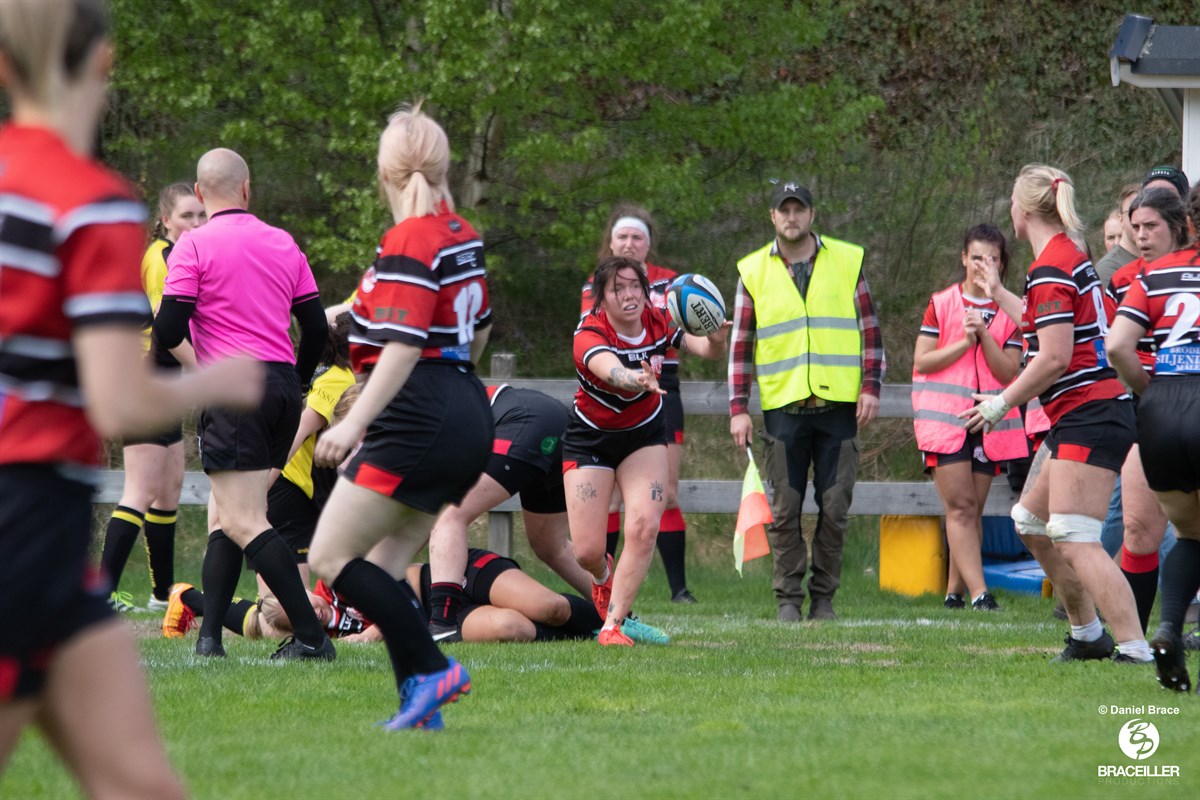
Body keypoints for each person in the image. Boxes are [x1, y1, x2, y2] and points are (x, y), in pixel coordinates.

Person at [0, 0, 261, 792]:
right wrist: (223, 376)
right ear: (103, 61)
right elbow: (116, 404)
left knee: (141, 782)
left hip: (42, 538)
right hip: (25, 515)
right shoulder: (90, 201)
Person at [307, 103, 492, 731]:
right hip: (462, 407)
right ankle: (420, 699)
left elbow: (406, 345)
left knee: (331, 556)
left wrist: (352, 423)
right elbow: (479, 329)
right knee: (382, 569)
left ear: (384, 173)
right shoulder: (460, 233)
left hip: (421, 411)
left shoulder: (409, 238)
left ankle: (433, 670)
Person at [962, 164, 1151, 664]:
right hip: (1085, 412)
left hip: (1091, 413)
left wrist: (1001, 403)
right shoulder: (1066, 257)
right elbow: (1041, 322)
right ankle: (1087, 636)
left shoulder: (1051, 268)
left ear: (1024, 210)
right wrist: (997, 291)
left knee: (1075, 536)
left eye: (1011, 200)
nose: (1009, 209)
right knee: (1029, 520)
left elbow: (1053, 357)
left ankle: (1135, 648)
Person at [153, 147, 333, 661]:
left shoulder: (193, 245)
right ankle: (209, 640)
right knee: (227, 517)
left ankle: (312, 638)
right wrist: (298, 381)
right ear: (247, 189)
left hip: (234, 389)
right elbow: (315, 327)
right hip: (281, 389)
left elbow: (167, 329)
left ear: (200, 192)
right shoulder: (282, 242)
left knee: (244, 520)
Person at [728, 181, 884, 621]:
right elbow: (740, 345)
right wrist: (738, 408)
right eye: (785, 210)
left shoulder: (848, 260)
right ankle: (788, 600)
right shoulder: (752, 271)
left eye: (799, 209)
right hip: (783, 408)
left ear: (812, 215)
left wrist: (871, 386)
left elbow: (870, 330)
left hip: (839, 408)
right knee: (785, 510)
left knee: (835, 508)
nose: (792, 217)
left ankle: (824, 599)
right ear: (773, 217)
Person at [567, 256, 727, 646]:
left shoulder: (659, 320)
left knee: (644, 526)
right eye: (617, 289)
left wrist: (715, 336)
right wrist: (634, 379)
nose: (629, 295)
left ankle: (613, 625)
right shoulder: (588, 332)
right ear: (601, 298)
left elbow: (706, 350)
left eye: (635, 286)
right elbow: (608, 369)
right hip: (591, 438)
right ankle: (603, 576)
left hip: (644, 435)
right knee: (586, 552)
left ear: (644, 289)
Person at [579, 204, 698, 603]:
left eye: (637, 237)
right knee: (611, 498)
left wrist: (709, 330)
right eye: (622, 237)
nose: (629, 243)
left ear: (648, 244)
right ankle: (605, 584)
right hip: (612, 389)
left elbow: (686, 334)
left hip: (663, 387)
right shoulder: (596, 285)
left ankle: (679, 589)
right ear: (610, 243)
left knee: (667, 492)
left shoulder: (672, 283)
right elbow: (594, 337)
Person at [1108, 180, 1200, 692]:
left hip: (1159, 414)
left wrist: (1152, 392)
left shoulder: (1153, 274)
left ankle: (1166, 629)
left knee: (1190, 533)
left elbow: (1117, 346)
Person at [99, 182, 205, 612]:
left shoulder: (183, 254)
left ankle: (162, 595)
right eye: (186, 216)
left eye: (201, 215)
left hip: (164, 383)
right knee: (141, 490)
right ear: (165, 220)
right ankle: (100, 596)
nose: (195, 223)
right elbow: (166, 327)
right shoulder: (161, 258)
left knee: (169, 487)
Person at [913, 224, 1025, 612]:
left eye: (992, 259)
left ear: (1002, 263)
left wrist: (986, 336)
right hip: (946, 421)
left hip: (988, 423)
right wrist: (964, 342)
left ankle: (954, 593)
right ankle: (981, 594)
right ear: (963, 258)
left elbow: (1008, 372)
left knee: (971, 510)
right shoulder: (942, 303)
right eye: (976, 257)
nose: (983, 265)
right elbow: (923, 361)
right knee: (960, 507)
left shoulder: (1011, 310)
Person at [426, 384, 594, 640]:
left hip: (526, 420)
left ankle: (441, 624)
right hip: (549, 416)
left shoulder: (398, 423)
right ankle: (621, 615)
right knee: (551, 545)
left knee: (451, 516)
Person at [1093, 185, 1140, 286]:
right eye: (1131, 212)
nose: (1138, 218)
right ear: (1121, 219)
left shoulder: (1161, 256)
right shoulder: (1108, 268)